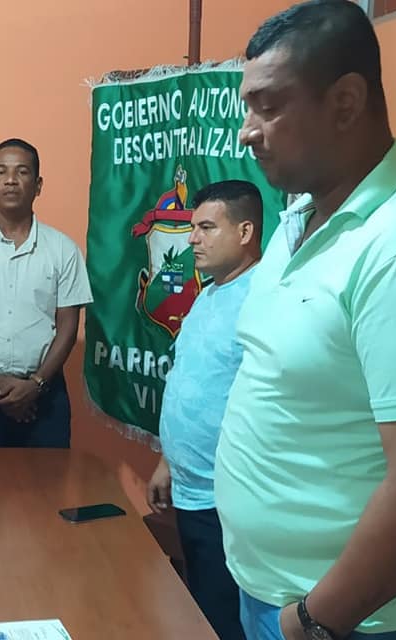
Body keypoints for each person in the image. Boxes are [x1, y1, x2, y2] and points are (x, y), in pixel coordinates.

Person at [215, 2, 396, 639]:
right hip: (268, 588)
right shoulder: (298, 218)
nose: (246, 132)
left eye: (268, 107)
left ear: (346, 102)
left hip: (356, 621)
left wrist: (314, 621)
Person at [146, 180, 264, 640]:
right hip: (190, 491)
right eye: (193, 227)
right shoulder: (210, 293)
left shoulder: (262, 300)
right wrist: (166, 461)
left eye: (206, 228)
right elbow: (191, 383)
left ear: (245, 231)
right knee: (200, 611)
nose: (192, 238)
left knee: (224, 621)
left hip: (229, 502)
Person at [0, 138, 93, 448]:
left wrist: (35, 384)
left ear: (38, 185)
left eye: (22, 172)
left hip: (46, 394)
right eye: (1, 172)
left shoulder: (63, 250)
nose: (10, 180)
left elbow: (68, 326)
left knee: (50, 479)